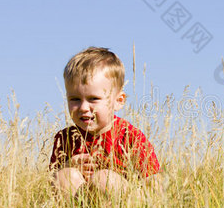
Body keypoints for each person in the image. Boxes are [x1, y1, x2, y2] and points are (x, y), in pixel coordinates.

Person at [50, 47, 160, 199]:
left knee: (103, 179)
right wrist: (68, 165)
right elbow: (51, 183)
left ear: (118, 101)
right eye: (74, 99)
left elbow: (154, 183)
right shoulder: (65, 138)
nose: (83, 108)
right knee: (64, 176)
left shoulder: (130, 136)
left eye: (93, 99)